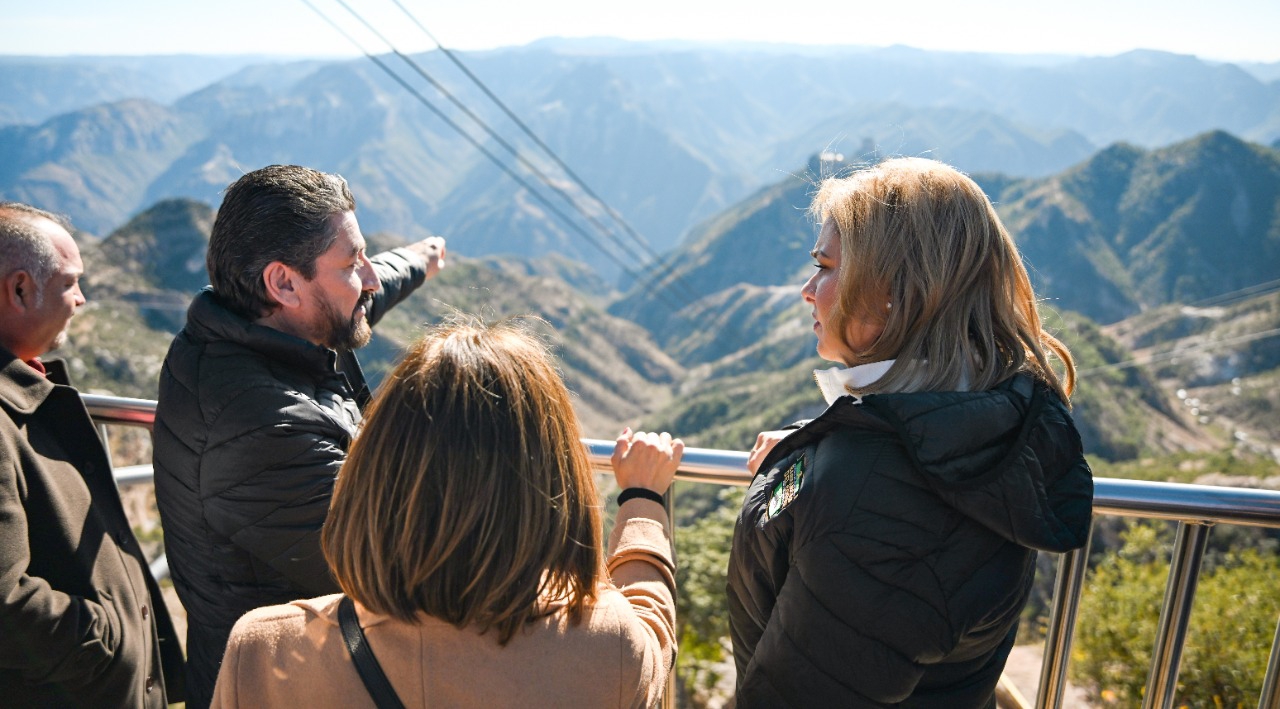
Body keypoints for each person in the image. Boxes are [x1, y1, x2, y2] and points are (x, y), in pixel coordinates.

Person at [726, 158, 1094, 708]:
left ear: (896, 292)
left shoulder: (873, 504)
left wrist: (822, 468)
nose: (808, 289)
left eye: (826, 266)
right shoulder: (986, 423)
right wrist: (801, 460)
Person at [207, 316, 683, 709]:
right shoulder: (607, 649)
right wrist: (643, 500)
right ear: (552, 489)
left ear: (373, 476)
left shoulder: (264, 652)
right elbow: (653, 625)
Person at [152, 164, 447, 708]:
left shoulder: (248, 329)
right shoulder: (264, 424)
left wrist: (419, 260)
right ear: (283, 282)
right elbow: (396, 568)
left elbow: (358, 295)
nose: (370, 279)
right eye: (352, 263)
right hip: (282, 689)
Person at [0, 202, 185, 707]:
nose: (81, 299)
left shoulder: (26, 389)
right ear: (19, 290)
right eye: (70, 282)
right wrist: (109, 643)